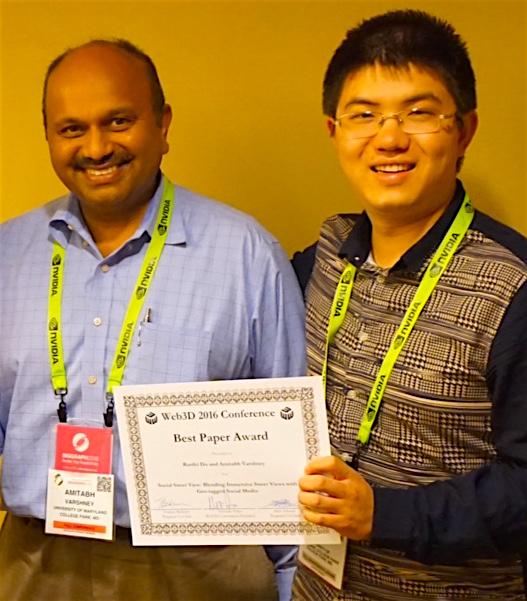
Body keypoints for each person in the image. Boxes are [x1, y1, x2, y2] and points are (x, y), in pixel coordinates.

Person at [0, 39, 306, 601]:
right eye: (71, 129)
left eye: (119, 121)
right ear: (48, 136)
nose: (96, 147)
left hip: (198, 565)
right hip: (34, 561)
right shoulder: (7, 253)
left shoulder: (247, 254)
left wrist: (292, 583)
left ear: (163, 125)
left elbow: (293, 454)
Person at [292, 9, 527, 600]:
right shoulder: (322, 257)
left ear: (464, 130)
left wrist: (384, 514)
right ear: (333, 131)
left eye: (419, 113)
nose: (389, 138)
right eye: (363, 115)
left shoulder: (514, 286)